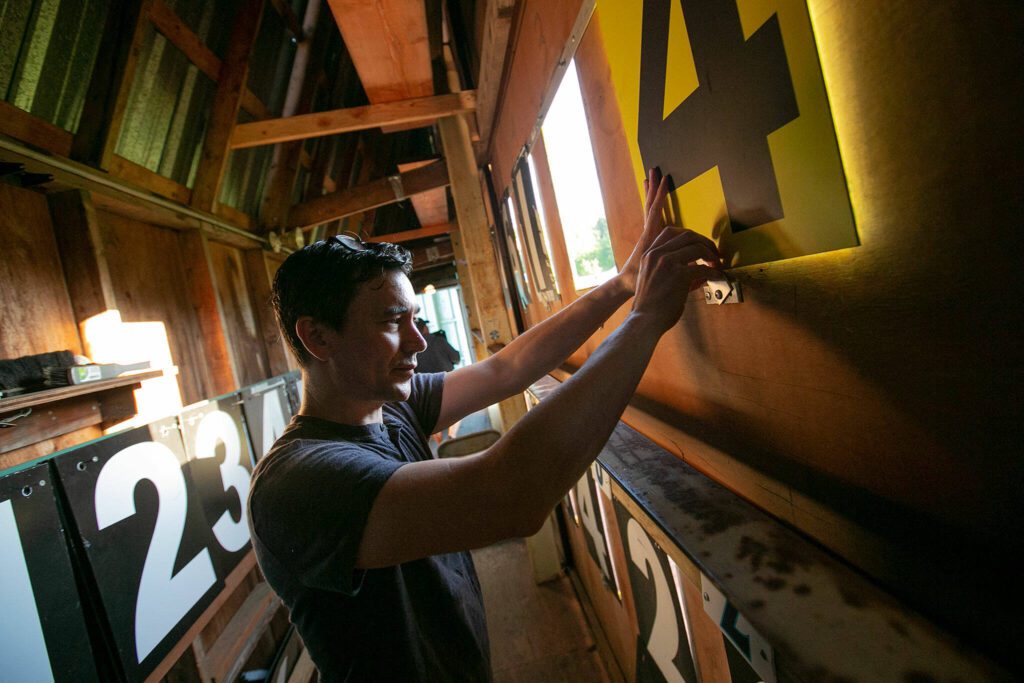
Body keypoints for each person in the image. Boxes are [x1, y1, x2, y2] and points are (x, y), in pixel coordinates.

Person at [246, 168, 721, 681]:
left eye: (414, 318)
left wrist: (625, 285)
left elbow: (508, 369)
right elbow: (510, 496)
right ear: (318, 337)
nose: (419, 341)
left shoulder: (388, 405)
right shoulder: (298, 483)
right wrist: (645, 320)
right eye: (391, 322)